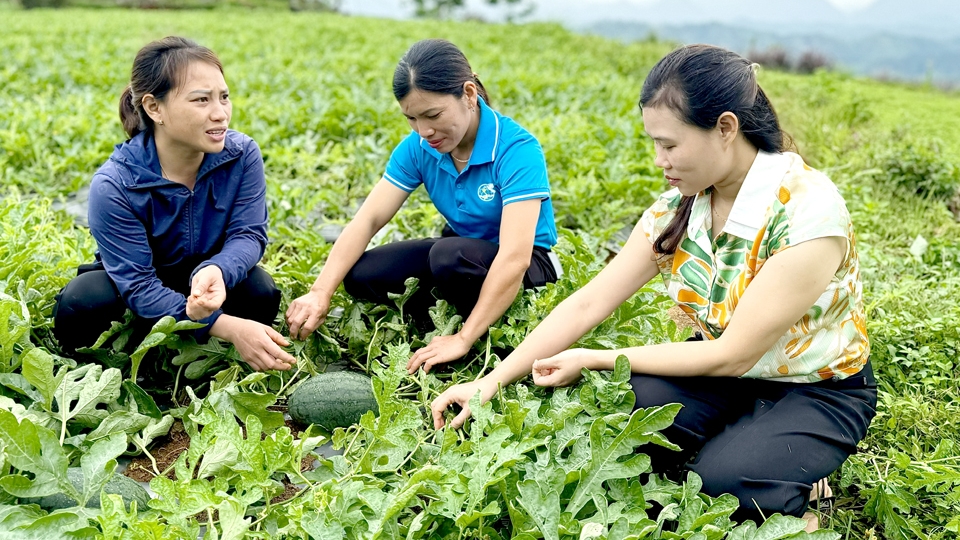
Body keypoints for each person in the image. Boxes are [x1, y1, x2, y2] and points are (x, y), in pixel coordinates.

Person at [430, 44, 876, 527]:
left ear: (725, 128)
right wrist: (489, 382)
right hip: (721, 377)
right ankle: (764, 448)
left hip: (816, 389)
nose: (659, 160)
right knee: (617, 421)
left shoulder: (807, 209)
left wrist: (593, 358)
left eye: (670, 144)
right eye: (654, 143)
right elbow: (589, 303)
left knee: (723, 488)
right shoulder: (679, 207)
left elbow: (734, 354)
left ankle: (798, 486)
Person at [286, 39, 560, 373]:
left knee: (448, 258)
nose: (424, 130)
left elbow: (515, 258)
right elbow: (369, 219)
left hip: (530, 264)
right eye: (411, 118)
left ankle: (473, 332)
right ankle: (442, 320)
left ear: (469, 94)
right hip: (463, 256)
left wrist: (463, 337)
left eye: (432, 115)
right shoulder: (418, 147)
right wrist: (320, 291)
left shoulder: (517, 149)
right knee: (361, 275)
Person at [52, 36, 296, 372]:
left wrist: (218, 270)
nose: (220, 113)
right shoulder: (116, 184)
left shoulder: (241, 155)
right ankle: (141, 352)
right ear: (154, 108)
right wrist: (226, 326)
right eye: (201, 100)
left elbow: (248, 234)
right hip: (136, 290)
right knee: (83, 302)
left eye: (224, 97)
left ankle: (196, 343)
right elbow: (137, 283)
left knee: (260, 292)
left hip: (208, 282)